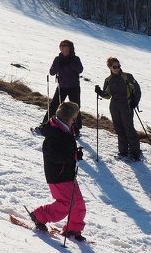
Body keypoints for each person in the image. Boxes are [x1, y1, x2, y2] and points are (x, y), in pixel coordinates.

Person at [29, 101, 87, 241]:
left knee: (78, 204)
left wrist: (74, 153)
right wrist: (73, 156)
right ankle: (39, 215)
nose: (75, 120)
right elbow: (54, 157)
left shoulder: (65, 129)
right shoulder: (55, 133)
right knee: (66, 203)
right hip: (58, 175)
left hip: (67, 173)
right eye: (74, 117)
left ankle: (73, 229)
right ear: (67, 117)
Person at [94, 57, 141, 160]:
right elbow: (107, 95)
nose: (117, 68)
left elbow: (137, 89)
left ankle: (135, 153)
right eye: (115, 67)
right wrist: (100, 92)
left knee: (128, 128)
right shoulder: (108, 80)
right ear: (110, 67)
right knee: (119, 128)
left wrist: (134, 101)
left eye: (119, 66)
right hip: (114, 105)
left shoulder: (127, 77)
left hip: (126, 104)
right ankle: (123, 151)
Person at [38, 40, 83, 136]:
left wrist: (70, 62)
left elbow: (80, 70)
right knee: (54, 105)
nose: (62, 47)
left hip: (74, 87)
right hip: (62, 87)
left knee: (75, 108)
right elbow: (52, 72)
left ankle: (76, 129)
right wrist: (60, 64)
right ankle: (45, 124)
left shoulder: (75, 59)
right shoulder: (58, 59)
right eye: (61, 45)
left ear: (69, 47)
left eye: (65, 45)